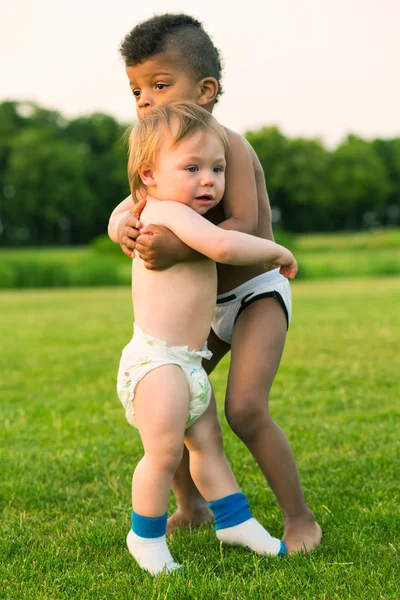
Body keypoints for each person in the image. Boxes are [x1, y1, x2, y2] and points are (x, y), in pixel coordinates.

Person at [109, 13, 322, 554]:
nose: (144, 101)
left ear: (205, 90)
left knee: (244, 409)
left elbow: (242, 229)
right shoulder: (161, 159)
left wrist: (177, 246)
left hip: (255, 292)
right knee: (174, 401)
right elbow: (134, 209)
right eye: (136, 89)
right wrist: (123, 226)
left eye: (159, 85)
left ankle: (299, 518)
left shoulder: (229, 147)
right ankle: (193, 504)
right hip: (202, 310)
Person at [116, 102, 297, 575]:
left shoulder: (162, 206)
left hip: (188, 362)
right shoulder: (169, 213)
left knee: (207, 446)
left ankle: (235, 521)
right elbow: (222, 245)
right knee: (164, 452)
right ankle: (146, 537)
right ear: (150, 175)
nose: (209, 181)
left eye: (217, 168)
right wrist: (276, 248)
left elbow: (123, 215)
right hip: (158, 364)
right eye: (192, 168)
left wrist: (119, 222)